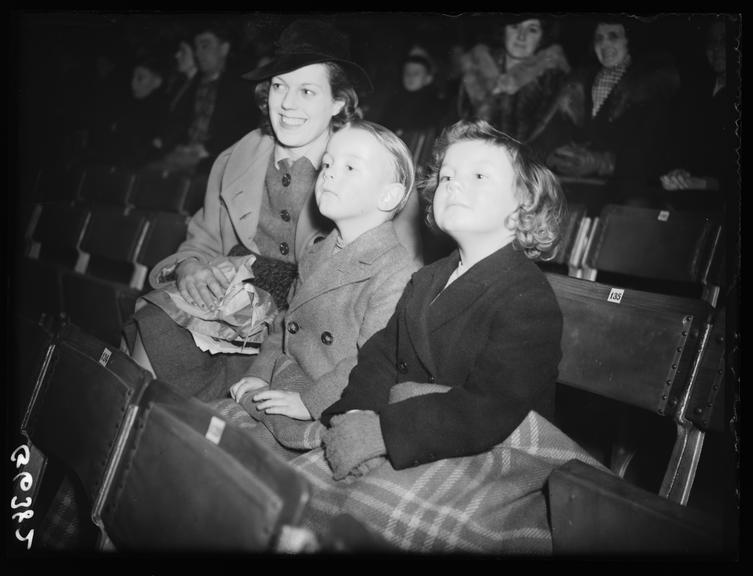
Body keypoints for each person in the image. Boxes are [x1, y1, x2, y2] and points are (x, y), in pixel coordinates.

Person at [124, 19, 374, 401]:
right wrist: (190, 265)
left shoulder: (362, 169)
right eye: (279, 86)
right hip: (228, 297)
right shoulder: (237, 157)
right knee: (152, 326)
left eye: (307, 91)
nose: (287, 104)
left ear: (338, 102)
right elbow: (203, 240)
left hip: (301, 326)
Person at [319, 118, 565, 480]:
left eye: (479, 176)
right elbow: (384, 355)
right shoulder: (427, 278)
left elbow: (490, 406)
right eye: (447, 177)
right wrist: (356, 412)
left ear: (525, 203)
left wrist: (383, 432)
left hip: (489, 455)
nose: (454, 185)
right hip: (417, 436)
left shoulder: (527, 299)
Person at [220, 120, 421, 456]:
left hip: (333, 402)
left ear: (388, 195)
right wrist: (260, 375)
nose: (329, 173)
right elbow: (283, 327)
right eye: (327, 163)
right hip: (285, 381)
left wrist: (309, 403)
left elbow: (371, 363)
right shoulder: (317, 252)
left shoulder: (397, 273)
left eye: (350, 167)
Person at [537, 17, 680, 205]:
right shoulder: (579, 82)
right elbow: (556, 130)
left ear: (629, 41)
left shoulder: (649, 85)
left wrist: (603, 162)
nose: (605, 44)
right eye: (599, 38)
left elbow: (649, 149)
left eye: (613, 36)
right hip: (579, 188)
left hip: (625, 191)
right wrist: (555, 154)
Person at [158, 21, 260, 174]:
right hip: (181, 156)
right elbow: (175, 124)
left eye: (205, 46)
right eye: (196, 47)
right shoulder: (192, 85)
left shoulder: (241, 88)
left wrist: (207, 150)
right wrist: (176, 146)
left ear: (224, 49)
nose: (198, 53)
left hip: (216, 162)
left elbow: (244, 130)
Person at [659, 18, 737, 206]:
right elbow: (672, 142)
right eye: (712, 41)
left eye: (725, 40)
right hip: (684, 196)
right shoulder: (694, 89)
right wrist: (678, 170)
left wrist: (700, 183)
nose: (717, 48)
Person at [459, 15, 570, 145]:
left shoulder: (552, 81)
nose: (521, 36)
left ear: (542, 38)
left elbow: (550, 144)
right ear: (503, 30)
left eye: (532, 30)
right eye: (515, 26)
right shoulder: (477, 70)